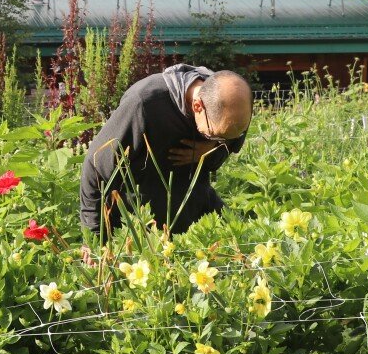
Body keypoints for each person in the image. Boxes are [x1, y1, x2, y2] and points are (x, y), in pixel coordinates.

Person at [80, 65, 253, 236]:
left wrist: (213, 147)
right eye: (216, 137)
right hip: (140, 225)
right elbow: (95, 167)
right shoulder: (144, 103)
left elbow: (231, 141)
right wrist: (95, 235)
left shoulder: (233, 104)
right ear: (198, 106)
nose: (223, 142)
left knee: (246, 240)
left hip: (196, 212)